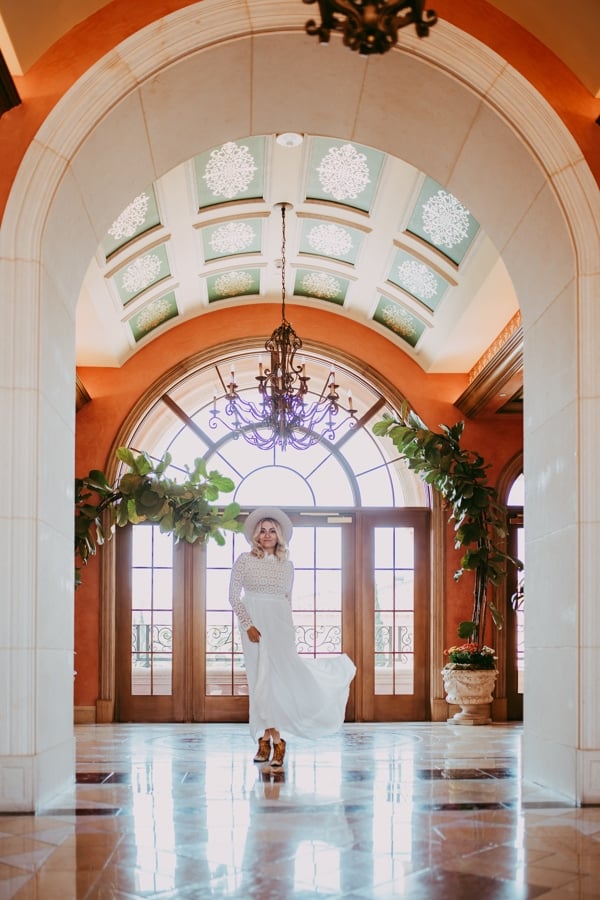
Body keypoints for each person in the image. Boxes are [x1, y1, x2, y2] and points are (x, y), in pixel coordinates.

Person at [228, 506, 356, 769]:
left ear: (279, 536)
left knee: (278, 683)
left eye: (271, 531)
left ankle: (273, 739)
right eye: (262, 531)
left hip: (279, 626)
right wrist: (248, 624)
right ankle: (269, 739)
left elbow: (286, 600)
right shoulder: (244, 560)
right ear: (255, 535)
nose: (266, 535)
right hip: (253, 627)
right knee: (259, 683)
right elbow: (232, 596)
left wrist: (289, 631)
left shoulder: (287, 566)